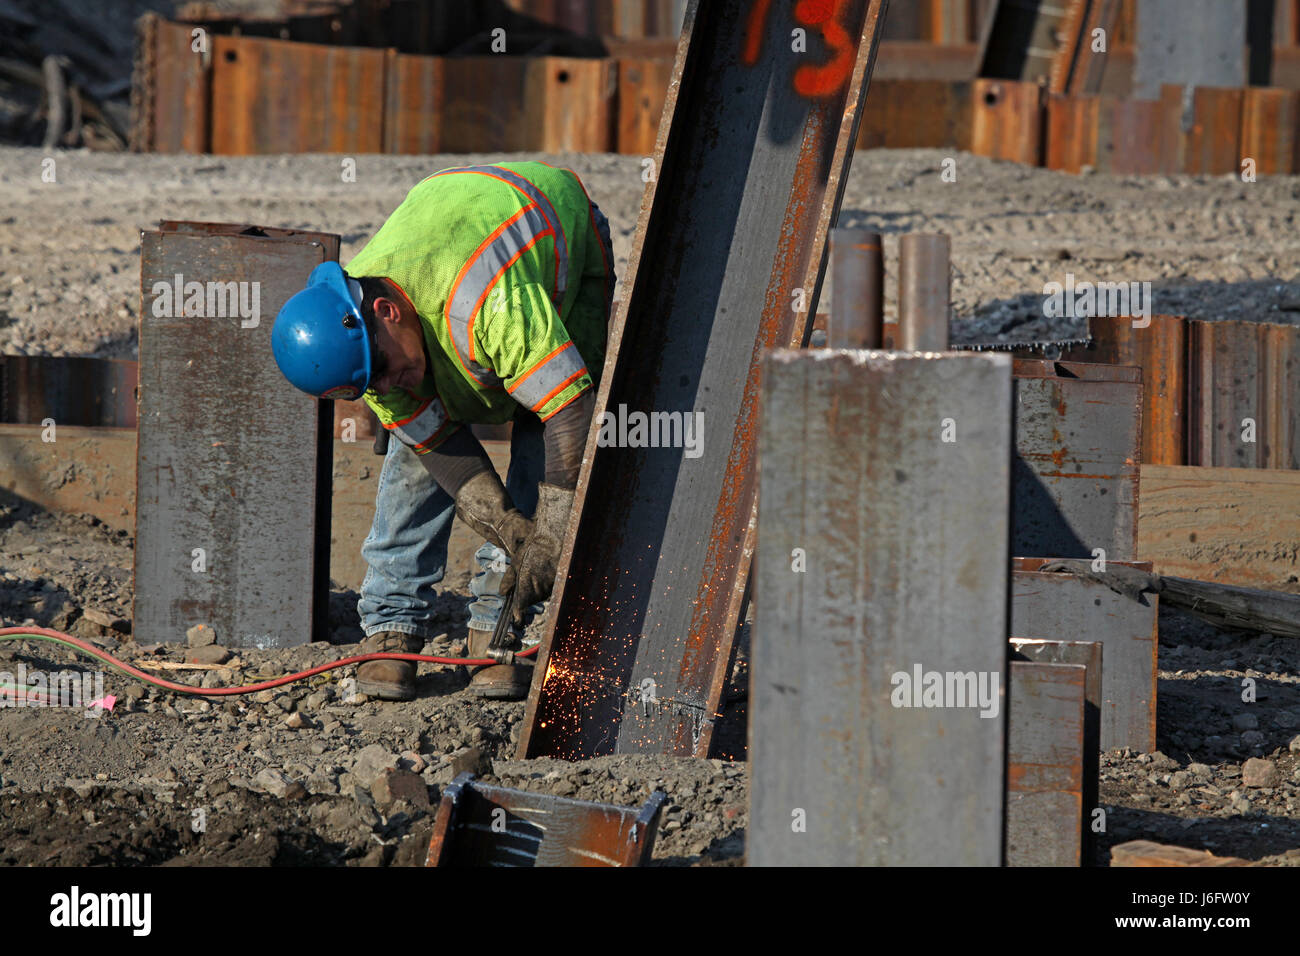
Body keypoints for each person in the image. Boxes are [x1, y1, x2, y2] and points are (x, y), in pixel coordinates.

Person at [271, 162, 614, 701]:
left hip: (555, 234)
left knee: (540, 431)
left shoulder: (490, 303)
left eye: (382, 370)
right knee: (410, 459)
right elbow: (438, 446)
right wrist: (503, 523)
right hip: (451, 231)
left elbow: (567, 412)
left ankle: (498, 632)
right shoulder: (363, 335)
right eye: (370, 383)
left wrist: (548, 534)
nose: (385, 384)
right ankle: (392, 628)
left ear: (387, 311)